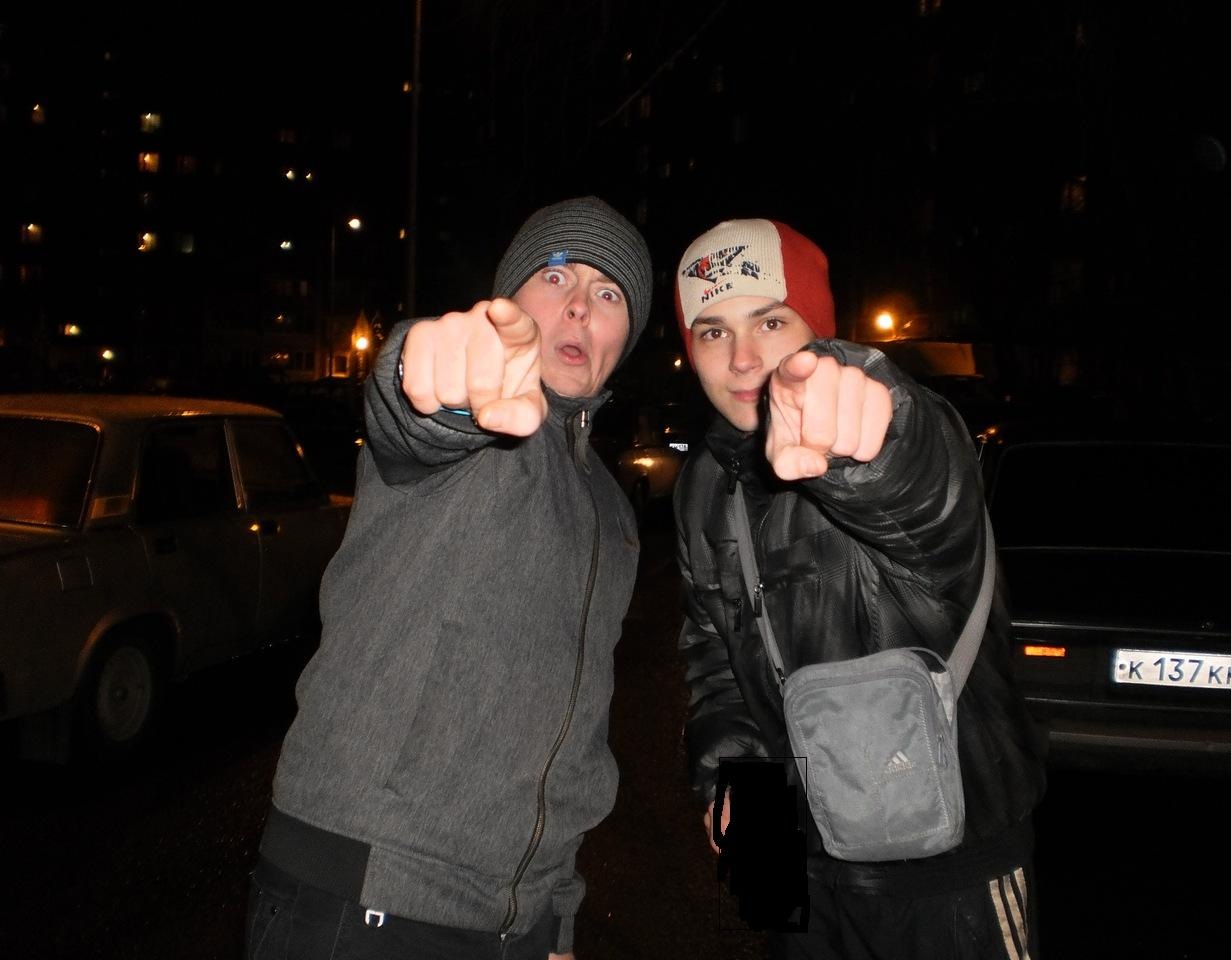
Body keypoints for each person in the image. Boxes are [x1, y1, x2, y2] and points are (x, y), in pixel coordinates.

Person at [245, 196, 653, 960]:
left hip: (514, 923)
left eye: (608, 293)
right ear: (507, 301)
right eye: (556, 275)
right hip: (363, 890)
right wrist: (432, 377)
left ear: (624, 337)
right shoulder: (476, 433)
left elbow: (576, 734)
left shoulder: (609, 506)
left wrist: (558, 917)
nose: (578, 306)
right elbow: (413, 414)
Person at [671, 218, 1047, 959]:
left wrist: (867, 422)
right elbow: (715, 659)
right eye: (713, 332)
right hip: (788, 849)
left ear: (819, 332)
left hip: (946, 865)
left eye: (771, 322)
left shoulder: (887, 426)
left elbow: (917, 476)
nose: (742, 358)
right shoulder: (704, 484)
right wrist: (728, 777)